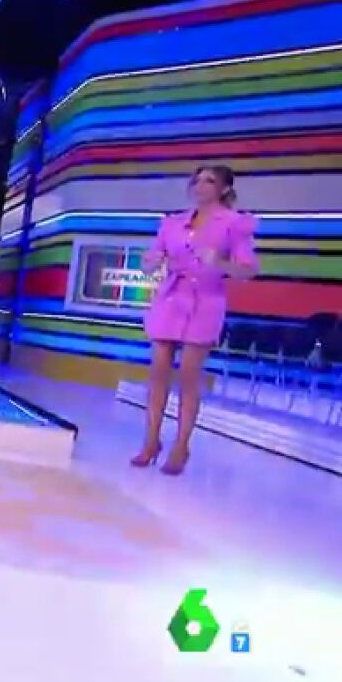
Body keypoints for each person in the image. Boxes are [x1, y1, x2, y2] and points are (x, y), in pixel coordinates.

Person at [133, 165, 258, 475]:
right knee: (158, 372)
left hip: (205, 301)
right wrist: (150, 262)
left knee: (189, 375)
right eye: (197, 180)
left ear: (224, 189)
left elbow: (248, 270)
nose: (200, 185)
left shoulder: (234, 224)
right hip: (170, 299)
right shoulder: (172, 223)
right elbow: (150, 262)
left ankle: (181, 446)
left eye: (210, 181)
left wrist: (220, 262)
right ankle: (151, 441)